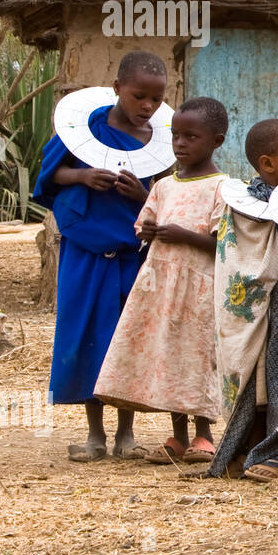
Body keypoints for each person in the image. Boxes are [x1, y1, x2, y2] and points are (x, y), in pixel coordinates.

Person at [33, 51, 166, 462]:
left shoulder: (162, 143)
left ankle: (127, 432)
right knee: (88, 336)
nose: (146, 107)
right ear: (117, 89)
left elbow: (168, 197)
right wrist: (83, 175)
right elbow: (49, 176)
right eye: (138, 96)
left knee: (127, 340)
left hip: (133, 253)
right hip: (86, 250)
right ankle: (94, 435)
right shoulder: (84, 132)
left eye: (156, 100)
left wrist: (142, 196)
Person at [94, 96, 230, 465]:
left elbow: (223, 244)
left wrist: (184, 235)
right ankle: (178, 435)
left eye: (192, 137)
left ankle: (204, 433)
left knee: (196, 357)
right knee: (169, 356)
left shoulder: (223, 187)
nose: (181, 144)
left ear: (216, 141)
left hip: (198, 290)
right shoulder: (163, 186)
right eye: (176, 136)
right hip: (160, 288)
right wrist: (151, 231)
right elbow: (143, 228)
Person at [207, 118, 278, 482]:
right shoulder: (244, 206)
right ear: (267, 164)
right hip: (256, 312)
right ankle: (247, 449)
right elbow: (234, 263)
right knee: (255, 377)